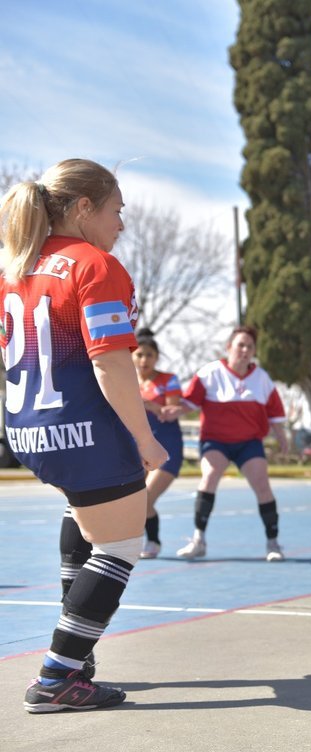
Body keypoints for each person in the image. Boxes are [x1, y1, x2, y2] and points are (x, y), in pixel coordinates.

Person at [1, 159, 168, 712]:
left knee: (84, 515)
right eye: (116, 211)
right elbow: (111, 365)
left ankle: (81, 655)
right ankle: (58, 673)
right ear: (82, 208)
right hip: (82, 427)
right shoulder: (96, 266)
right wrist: (146, 440)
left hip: (29, 428)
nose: (121, 223)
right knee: (121, 543)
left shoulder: (15, 266)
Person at [175, 325, 289, 561]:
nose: (245, 350)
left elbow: (276, 414)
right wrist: (168, 411)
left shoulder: (262, 379)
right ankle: (198, 540)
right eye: (240, 345)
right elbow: (189, 403)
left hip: (248, 443)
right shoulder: (209, 373)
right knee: (209, 476)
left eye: (250, 346)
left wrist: (282, 439)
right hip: (216, 441)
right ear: (229, 347)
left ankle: (273, 543)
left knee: (262, 485)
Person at [133, 328, 185, 557]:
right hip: (138, 449)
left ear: (157, 357)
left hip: (166, 448)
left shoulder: (168, 380)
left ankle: (152, 543)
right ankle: (147, 541)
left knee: (145, 498)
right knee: (134, 501)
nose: (144, 360)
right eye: (139, 355)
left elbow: (169, 411)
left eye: (149, 355)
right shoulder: (125, 382)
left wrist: (154, 406)